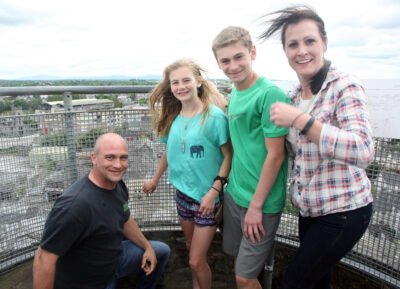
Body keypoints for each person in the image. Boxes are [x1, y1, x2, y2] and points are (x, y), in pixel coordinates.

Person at [259, 5, 374, 289]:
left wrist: (302, 121)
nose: (302, 51)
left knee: (294, 283)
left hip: (344, 211)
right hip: (310, 209)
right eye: (293, 44)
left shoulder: (344, 86)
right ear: (285, 52)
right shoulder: (295, 95)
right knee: (318, 282)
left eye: (309, 41)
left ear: (324, 42)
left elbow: (363, 150)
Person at [32, 132, 170, 289]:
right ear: (94, 158)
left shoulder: (118, 185)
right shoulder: (74, 206)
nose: (118, 165)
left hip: (114, 259)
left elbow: (125, 218)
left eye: (123, 158)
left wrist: (147, 247)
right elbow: (44, 258)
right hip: (88, 280)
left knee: (161, 251)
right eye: (110, 157)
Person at [142, 58, 232, 289]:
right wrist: (155, 178)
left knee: (195, 259)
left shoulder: (214, 117)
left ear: (198, 81)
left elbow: (229, 156)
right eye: (175, 82)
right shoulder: (172, 118)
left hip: (207, 198)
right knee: (192, 251)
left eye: (186, 80)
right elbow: (169, 152)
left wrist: (214, 191)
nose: (180, 86)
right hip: (182, 194)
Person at [212, 26, 290, 289]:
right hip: (236, 194)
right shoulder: (234, 95)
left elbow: (276, 156)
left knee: (244, 278)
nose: (232, 66)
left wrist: (256, 207)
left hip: (261, 202)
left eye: (238, 57)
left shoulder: (270, 94)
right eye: (225, 60)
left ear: (253, 52)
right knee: (238, 263)